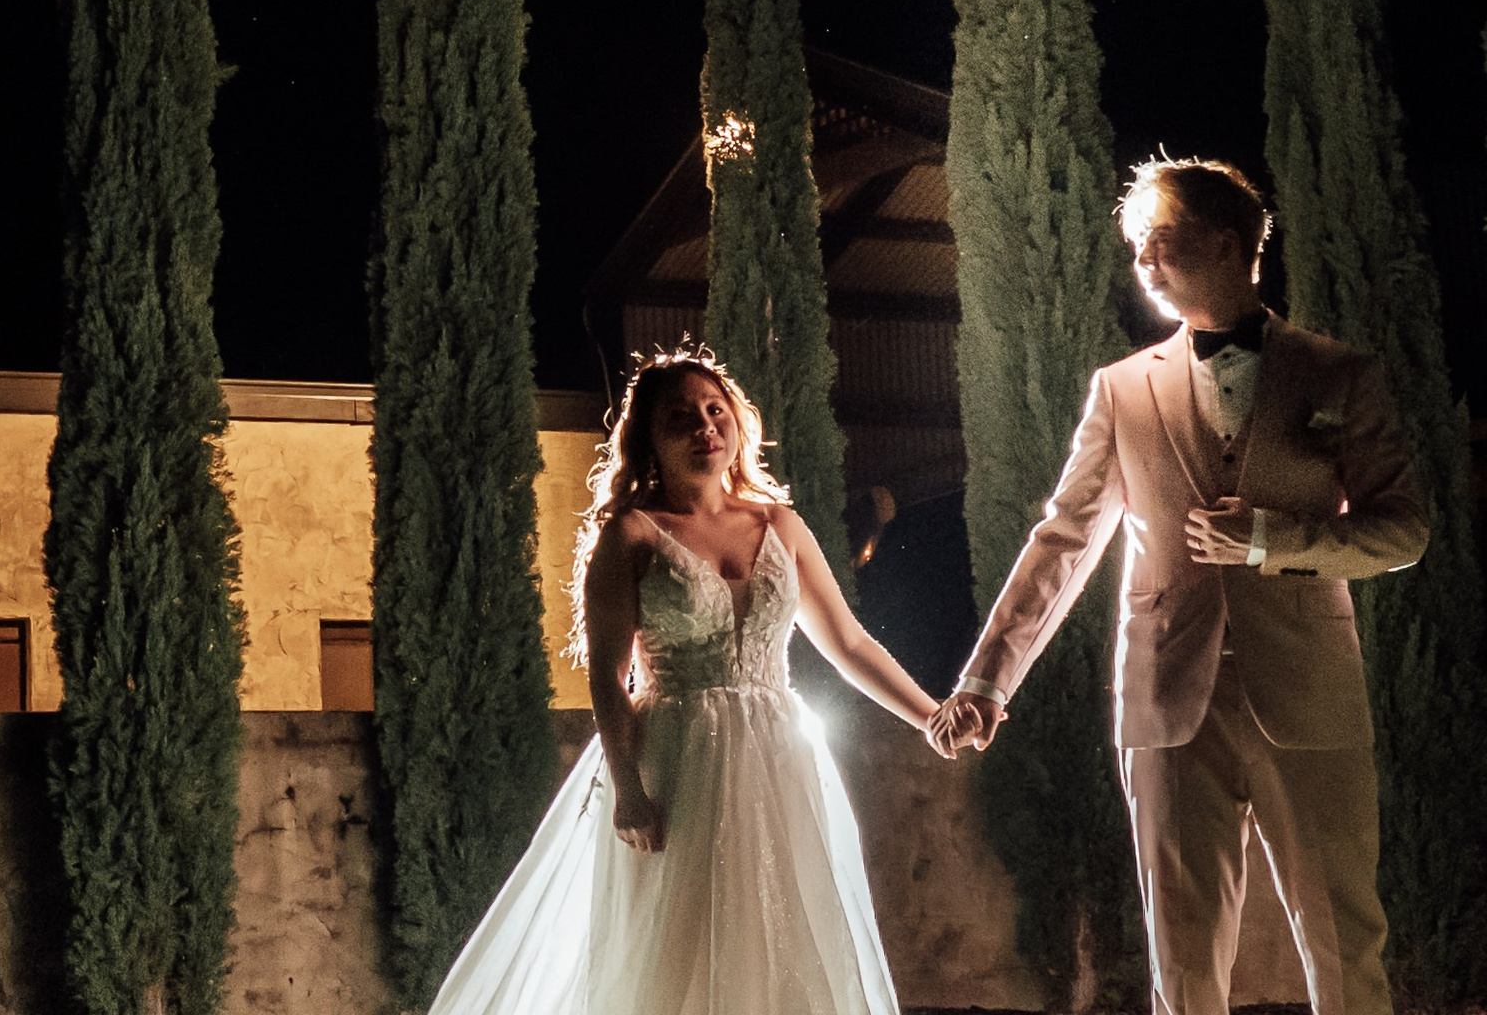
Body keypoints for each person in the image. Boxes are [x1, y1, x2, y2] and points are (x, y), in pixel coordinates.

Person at [928, 156, 1429, 1015]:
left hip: (1309, 692)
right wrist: (987, 678)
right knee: (1182, 959)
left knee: (1345, 945)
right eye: (1136, 248)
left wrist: (1270, 541)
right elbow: (1064, 541)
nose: (1143, 263)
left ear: (1228, 244)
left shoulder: (1338, 374)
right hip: (1165, 696)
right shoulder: (1120, 390)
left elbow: (1402, 531)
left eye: (1159, 241)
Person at [426, 345, 942, 1015]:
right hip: (676, 761)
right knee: (679, 943)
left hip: (780, 757)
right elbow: (609, 679)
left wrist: (931, 716)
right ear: (649, 438)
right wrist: (627, 791)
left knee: (785, 935)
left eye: (714, 410)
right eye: (682, 417)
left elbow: (849, 644)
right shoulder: (632, 536)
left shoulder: (780, 525)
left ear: (736, 423)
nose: (704, 426)